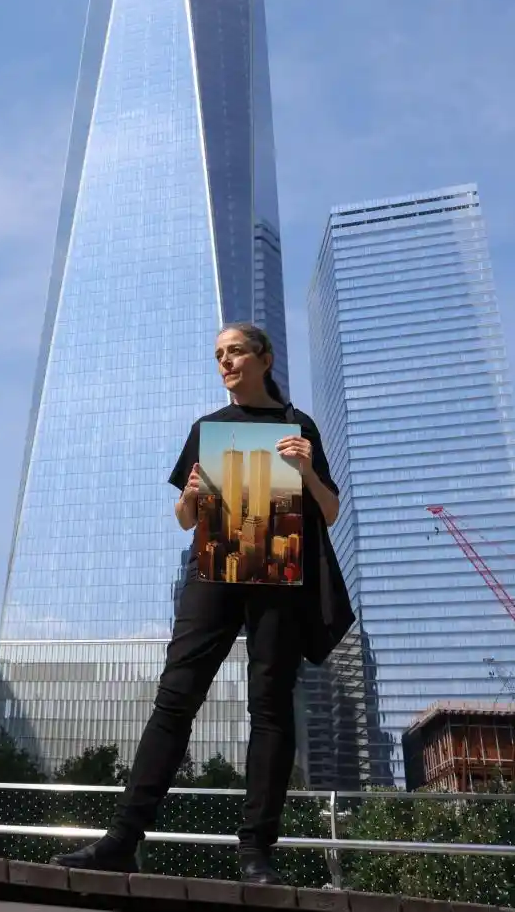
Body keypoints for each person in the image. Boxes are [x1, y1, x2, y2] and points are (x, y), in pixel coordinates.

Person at [53, 322, 354, 885]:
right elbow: (186, 519)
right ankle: (121, 841)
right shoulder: (208, 428)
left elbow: (331, 512)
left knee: (270, 707)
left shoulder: (297, 425)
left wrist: (308, 470)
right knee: (175, 699)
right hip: (215, 571)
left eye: (235, 351)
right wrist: (191, 497)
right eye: (219, 355)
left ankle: (256, 855)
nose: (225, 362)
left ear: (263, 359)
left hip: (278, 571)